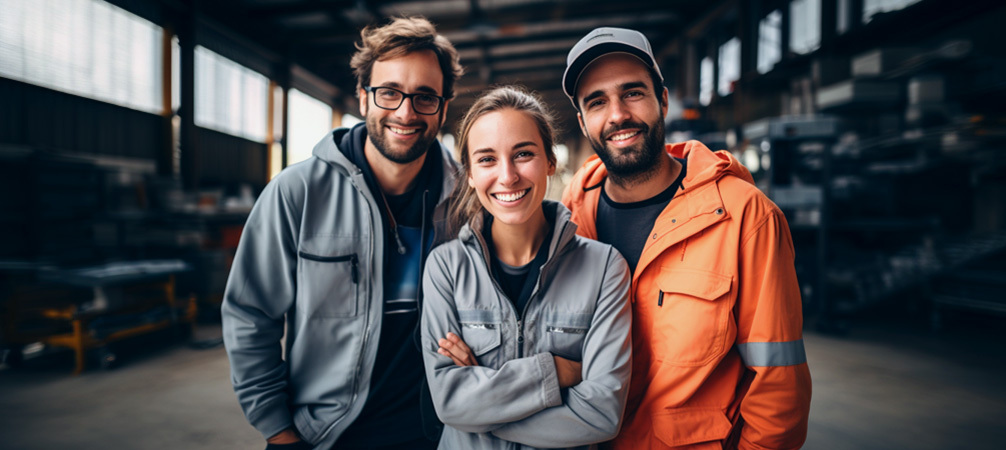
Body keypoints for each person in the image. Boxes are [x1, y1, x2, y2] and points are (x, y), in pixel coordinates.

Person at [560, 27, 813, 449]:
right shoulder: (570, 215)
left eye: (633, 93)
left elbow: (778, 386)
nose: (618, 114)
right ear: (584, 122)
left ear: (662, 101)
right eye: (597, 101)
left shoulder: (744, 215)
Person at [221, 17, 463, 450]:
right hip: (328, 435)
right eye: (389, 92)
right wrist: (278, 430)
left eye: (425, 97)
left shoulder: (468, 200)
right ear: (363, 97)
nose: (406, 112)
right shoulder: (296, 193)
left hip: (443, 433)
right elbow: (250, 315)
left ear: (444, 107)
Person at [419, 86, 633, 449]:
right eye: (487, 159)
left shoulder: (604, 268)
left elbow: (601, 414)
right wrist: (556, 371)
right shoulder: (445, 268)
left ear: (550, 161)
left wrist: (479, 411)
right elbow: (449, 402)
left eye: (523, 154)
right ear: (469, 174)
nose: (507, 176)